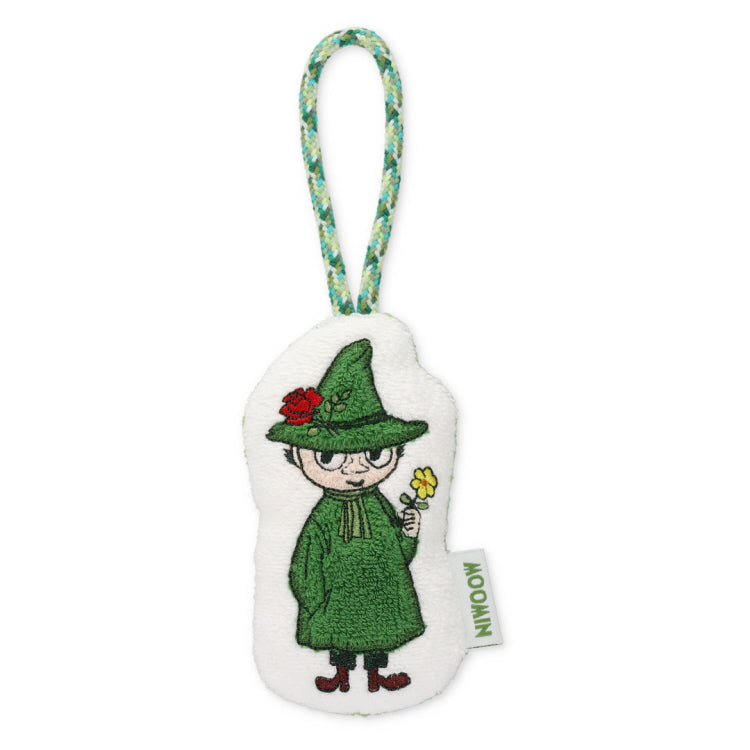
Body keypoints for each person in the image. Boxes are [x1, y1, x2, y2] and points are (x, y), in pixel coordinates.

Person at [266, 339, 429, 693]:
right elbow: (307, 556)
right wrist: (311, 595)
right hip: (334, 595)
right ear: (299, 455)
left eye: (373, 454)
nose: (355, 470)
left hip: (381, 592)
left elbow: (398, 552)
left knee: (379, 631)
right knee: (339, 631)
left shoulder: (379, 505)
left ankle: (375, 676)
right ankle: (340, 675)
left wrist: (409, 534)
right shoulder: (324, 516)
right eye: (330, 458)